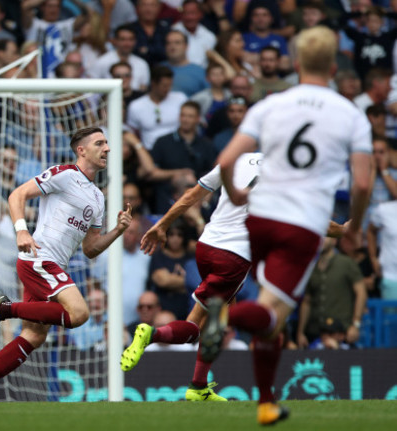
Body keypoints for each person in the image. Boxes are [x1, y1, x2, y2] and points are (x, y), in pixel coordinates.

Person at [203, 26, 372, 425]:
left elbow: (227, 161)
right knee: (272, 314)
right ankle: (223, 316)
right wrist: (354, 227)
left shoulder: (269, 105)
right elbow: (363, 182)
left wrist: (237, 193)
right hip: (302, 224)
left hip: (261, 219)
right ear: (333, 67)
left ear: (295, 64)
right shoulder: (350, 114)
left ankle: (265, 404)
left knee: (268, 308)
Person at [0, 127, 132, 403]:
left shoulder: (98, 198)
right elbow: (16, 195)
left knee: (33, 334)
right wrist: (20, 230)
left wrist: (118, 231)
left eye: (107, 144)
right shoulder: (64, 174)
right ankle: (3, 308)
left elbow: (90, 249)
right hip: (39, 258)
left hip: (54, 265)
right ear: (82, 150)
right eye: (100, 143)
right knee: (78, 314)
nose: (107, 149)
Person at [122, 151, 262, 402]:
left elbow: (190, 195)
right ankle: (150, 334)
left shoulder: (238, 159)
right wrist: (340, 230)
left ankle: (199, 386)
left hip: (206, 246)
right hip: (233, 256)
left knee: (218, 321)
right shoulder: (284, 174)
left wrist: (162, 224)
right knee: (197, 327)